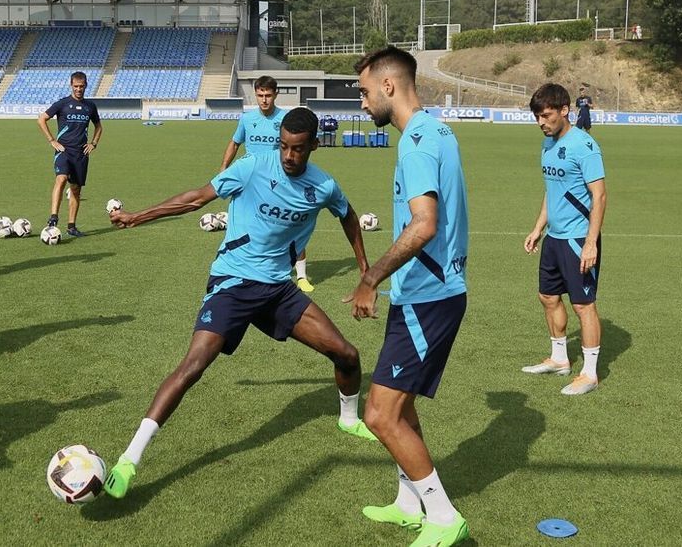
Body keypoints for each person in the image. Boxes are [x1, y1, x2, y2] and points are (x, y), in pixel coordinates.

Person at [103, 107, 378, 501]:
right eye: (283, 146)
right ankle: (130, 459)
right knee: (193, 366)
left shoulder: (324, 187)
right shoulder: (253, 167)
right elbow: (197, 198)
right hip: (232, 281)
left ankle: (349, 420)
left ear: (314, 146)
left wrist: (366, 273)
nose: (288, 156)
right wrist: (137, 217)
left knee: (347, 355)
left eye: (298, 149)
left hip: (278, 291)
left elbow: (348, 216)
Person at [347, 46, 470, 546]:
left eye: (363, 91)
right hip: (428, 292)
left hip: (428, 296)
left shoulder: (416, 142)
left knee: (377, 414)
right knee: (399, 407)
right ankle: (407, 501)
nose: (361, 103)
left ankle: (442, 516)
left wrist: (370, 277)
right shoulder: (438, 129)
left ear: (389, 86)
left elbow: (424, 225)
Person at [522, 83, 606, 396]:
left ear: (564, 110)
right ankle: (559, 359)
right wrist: (537, 228)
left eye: (545, 116)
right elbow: (554, 191)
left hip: (577, 239)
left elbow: (599, 197)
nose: (541, 122)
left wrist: (590, 243)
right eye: (537, 117)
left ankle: (590, 373)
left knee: (583, 305)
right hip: (554, 239)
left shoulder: (584, 145)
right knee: (548, 297)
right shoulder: (548, 144)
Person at [220, 75, 317, 293]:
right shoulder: (247, 119)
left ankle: (301, 276)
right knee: (246, 224)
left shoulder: (286, 120)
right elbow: (235, 143)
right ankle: (242, 266)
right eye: (260, 95)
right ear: (255, 94)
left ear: (276, 94)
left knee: (292, 225)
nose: (264, 100)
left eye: (268, 95)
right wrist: (224, 168)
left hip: (278, 181)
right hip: (251, 181)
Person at [36, 71, 102, 237]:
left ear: (86, 85)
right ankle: (53, 217)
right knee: (61, 178)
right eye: (76, 86)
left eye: (81, 86)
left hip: (81, 153)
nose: (79, 89)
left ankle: (71, 226)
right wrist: (52, 140)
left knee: (76, 190)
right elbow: (41, 119)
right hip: (63, 150)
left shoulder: (90, 106)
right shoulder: (62, 104)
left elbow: (99, 126)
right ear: (71, 86)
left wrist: (93, 143)